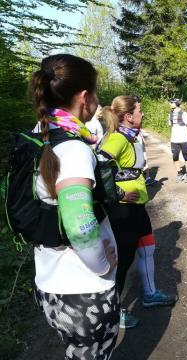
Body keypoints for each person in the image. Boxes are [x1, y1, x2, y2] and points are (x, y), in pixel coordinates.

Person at [29, 54, 119, 359]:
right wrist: (104, 266)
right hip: (83, 290)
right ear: (84, 97)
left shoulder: (39, 135)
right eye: (94, 93)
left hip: (51, 282)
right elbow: (78, 225)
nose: (96, 100)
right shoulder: (74, 149)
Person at [100, 95, 177, 329]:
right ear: (128, 116)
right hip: (123, 211)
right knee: (122, 262)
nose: (143, 114)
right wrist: (118, 194)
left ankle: (150, 294)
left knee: (148, 248)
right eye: (140, 111)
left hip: (138, 207)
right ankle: (115, 312)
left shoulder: (133, 136)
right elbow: (99, 165)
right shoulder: (117, 138)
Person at [168, 98, 187, 183]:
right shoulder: (170, 114)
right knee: (175, 157)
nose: (170, 104)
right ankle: (179, 173)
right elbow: (172, 127)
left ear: (176, 103)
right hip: (174, 140)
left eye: (172, 103)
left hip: (184, 139)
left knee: (186, 156)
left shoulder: (184, 114)